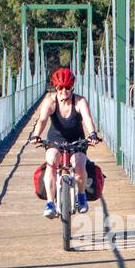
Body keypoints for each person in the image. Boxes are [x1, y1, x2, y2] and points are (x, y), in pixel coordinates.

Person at [29, 67, 100, 217]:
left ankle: (81, 196)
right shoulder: (50, 101)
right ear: (56, 87)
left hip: (77, 141)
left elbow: (87, 118)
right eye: (60, 88)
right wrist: (36, 135)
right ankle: (50, 202)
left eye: (67, 87)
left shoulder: (79, 101)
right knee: (52, 162)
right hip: (55, 140)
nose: (64, 91)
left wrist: (92, 134)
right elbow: (42, 120)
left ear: (72, 87)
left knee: (80, 165)